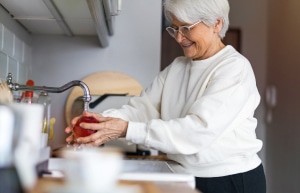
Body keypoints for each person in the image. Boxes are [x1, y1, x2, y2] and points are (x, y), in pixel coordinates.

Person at [65, 0, 266, 192]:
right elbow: (142, 109)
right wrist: (99, 125)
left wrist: (126, 130)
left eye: (186, 28)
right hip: (187, 174)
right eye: (175, 28)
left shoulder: (234, 69)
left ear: (217, 23)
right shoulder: (178, 67)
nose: (179, 37)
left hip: (229, 180)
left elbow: (196, 131)